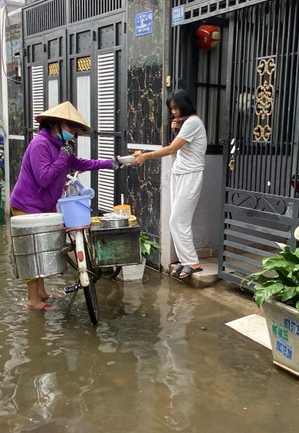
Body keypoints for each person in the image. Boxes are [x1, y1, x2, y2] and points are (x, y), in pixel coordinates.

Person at [11, 101, 120, 310]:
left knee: (41, 251)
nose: (73, 134)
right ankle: (32, 300)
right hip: (26, 204)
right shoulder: (40, 145)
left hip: (43, 205)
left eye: (76, 131)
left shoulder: (58, 146)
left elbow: (81, 164)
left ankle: (41, 292)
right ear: (56, 124)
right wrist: (64, 156)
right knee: (32, 253)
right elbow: (44, 178)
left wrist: (109, 163)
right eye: (71, 129)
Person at [130, 90, 207, 280]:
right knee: (178, 221)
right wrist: (175, 130)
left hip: (190, 175)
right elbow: (181, 148)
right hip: (180, 173)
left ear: (184, 105)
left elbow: (173, 148)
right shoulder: (186, 124)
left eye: (175, 107)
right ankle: (184, 259)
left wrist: (145, 156)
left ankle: (193, 263)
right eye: (171, 108)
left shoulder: (193, 122)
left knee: (177, 220)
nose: (173, 111)